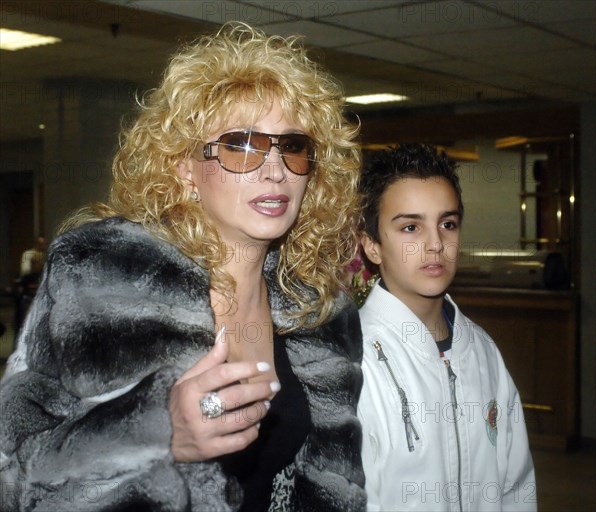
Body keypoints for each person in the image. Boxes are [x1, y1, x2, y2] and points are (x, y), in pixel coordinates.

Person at [0, 22, 366, 511]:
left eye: (292, 147)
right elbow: (12, 475)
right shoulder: (100, 280)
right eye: (241, 146)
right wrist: (154, 434)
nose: (275, 170)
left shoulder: (320, 313)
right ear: (184, 168)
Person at [357, 144, 536, 511]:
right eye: (411, 227)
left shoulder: (482, 350)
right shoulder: (355, 359)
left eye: (447, 224)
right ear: (372, 246)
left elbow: (516, 487)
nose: (435, 244)